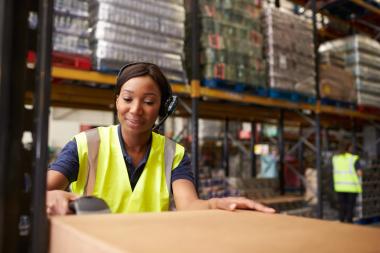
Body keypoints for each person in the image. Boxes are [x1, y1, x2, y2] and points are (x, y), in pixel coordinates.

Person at [47, 62, 275, 215]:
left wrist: (217, 203)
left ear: (162, 109)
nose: (136, 110)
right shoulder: (85, 144)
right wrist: (52, 194)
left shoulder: (173, 155)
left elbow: (189, 205)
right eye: (127, 99)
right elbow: (40, 190)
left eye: (148, 102)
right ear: (117, 101)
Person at [332, 141, 362, 223]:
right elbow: (359, 173)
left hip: (340, 186)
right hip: (352, 187)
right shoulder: (353, 158)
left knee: (342, 206)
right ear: (349, 147)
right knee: (350, 207)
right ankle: (349, 223)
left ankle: (341, 222)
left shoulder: (335, 158)